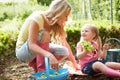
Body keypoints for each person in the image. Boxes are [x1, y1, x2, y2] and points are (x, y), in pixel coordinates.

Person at [15, 0, 79, 72]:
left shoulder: (55, 22)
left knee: (64, 51)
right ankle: (43, 71)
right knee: (45, 34)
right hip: (23, 52)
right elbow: (31, 45)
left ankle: (38, 65)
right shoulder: (37, 18)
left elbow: (65, 43)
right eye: (66, 16)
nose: (67, 19)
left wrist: (75, 64)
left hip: (35, 49)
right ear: (59, 12)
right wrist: (49, 55)